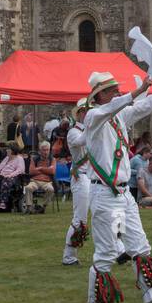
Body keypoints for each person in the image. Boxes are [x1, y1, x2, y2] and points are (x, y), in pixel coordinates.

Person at [80, 69, 152, 303]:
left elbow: (146, 106)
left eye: (118, 88)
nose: (117, 91)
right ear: (100, 95)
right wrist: (137, 91)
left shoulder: (119, 116)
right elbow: (123, 103)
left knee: (140, 247)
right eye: (112, 89)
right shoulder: (93, 117)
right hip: (104, 193)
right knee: (106, 254)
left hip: (123, 194)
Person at [62, 100, 91, 266]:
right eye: (85, 111)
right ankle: (69, 256)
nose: (87, 114)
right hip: (81, 176)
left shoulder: (89, 129)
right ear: (79, 113)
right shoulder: (74, 132)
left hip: (94, 177)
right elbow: (82, 142)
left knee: (107, 215)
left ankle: (117, 249)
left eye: (90, 111)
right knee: (80, 219)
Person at [22, 141, 56, 212]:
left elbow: (52, 171)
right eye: (44, 150)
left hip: (47, 182)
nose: (46, 152)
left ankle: (43, 207)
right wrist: (46, 170)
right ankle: (29, 207)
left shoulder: (52, 159)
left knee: (51, 189)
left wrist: (40, 168)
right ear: (40, 151)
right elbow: (31, 171)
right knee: (28, 188)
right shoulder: (34, 159)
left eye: (47, 150)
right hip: (35, 181)